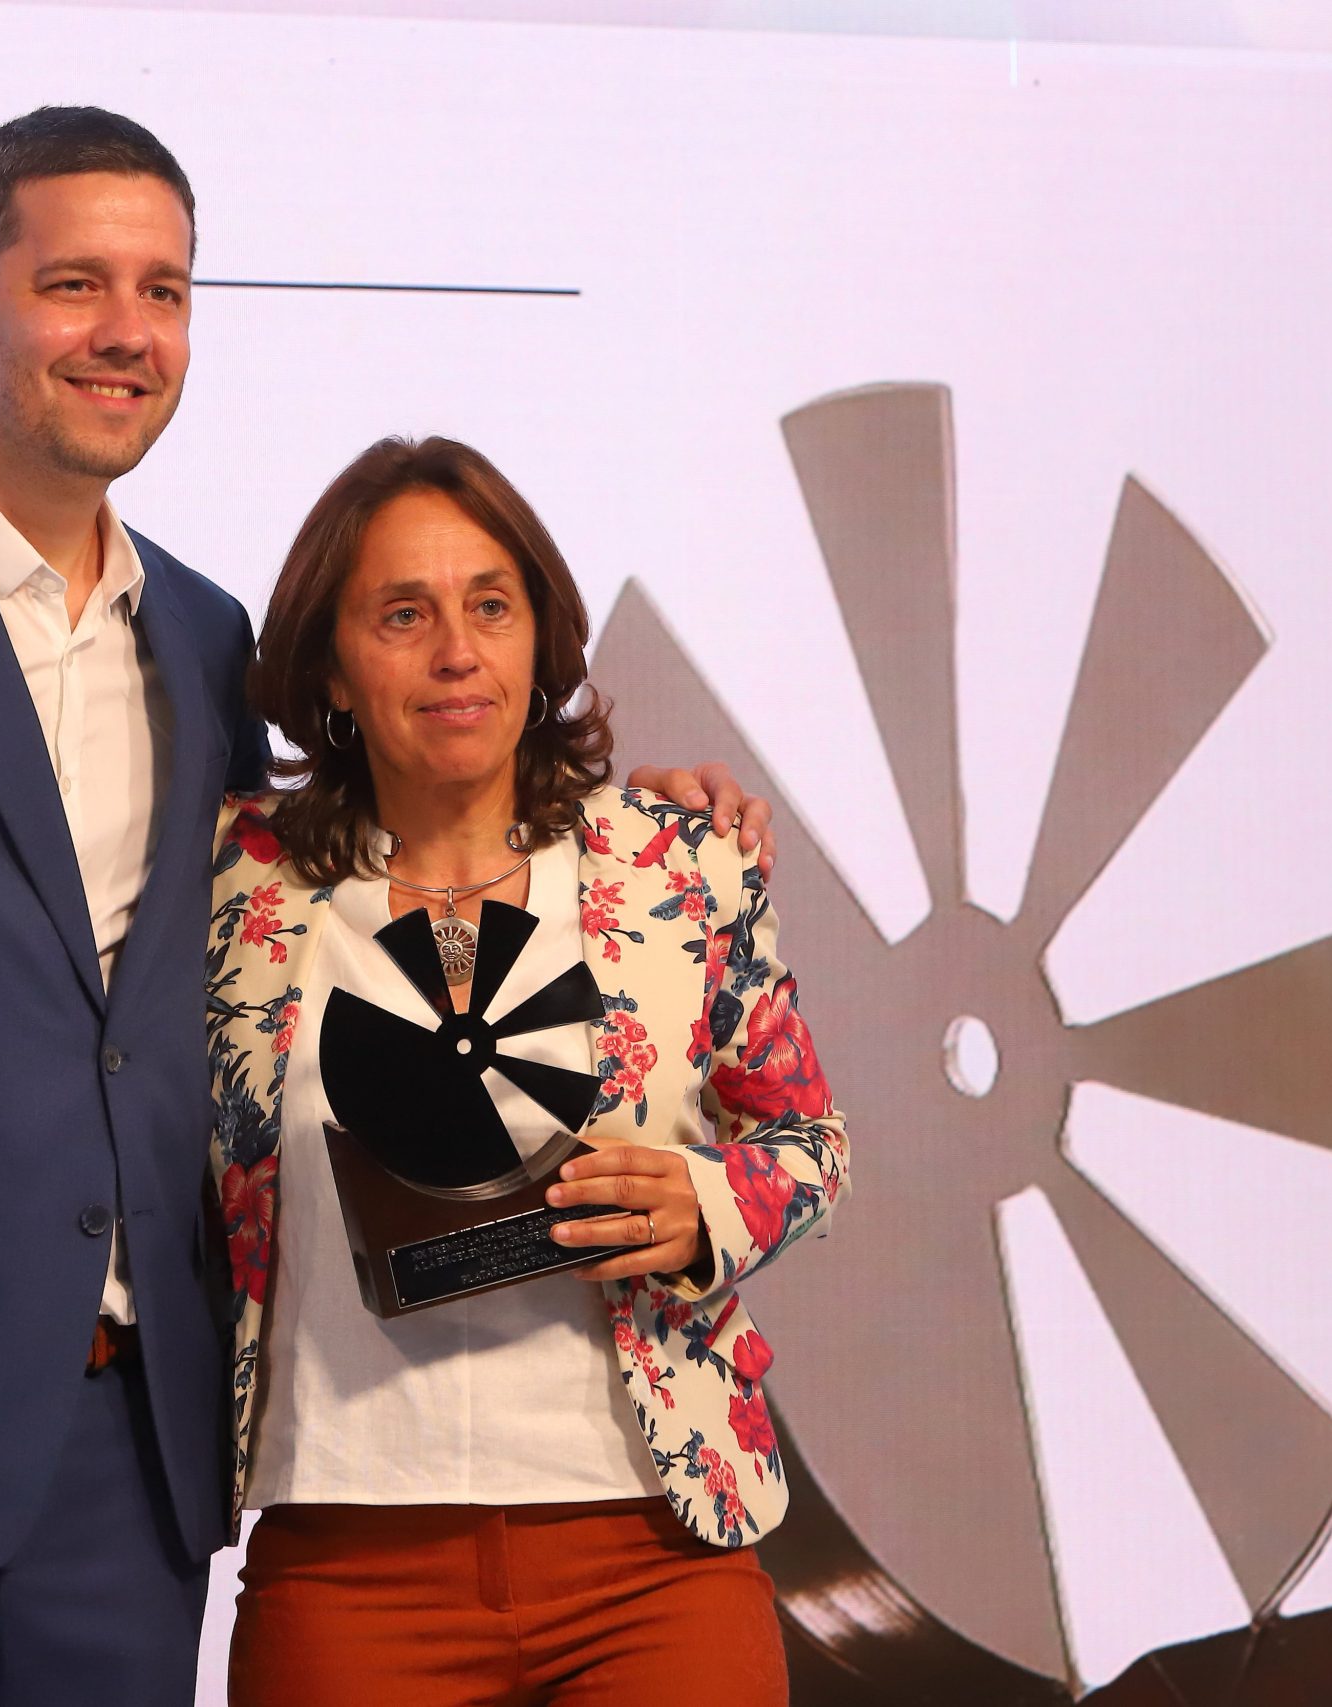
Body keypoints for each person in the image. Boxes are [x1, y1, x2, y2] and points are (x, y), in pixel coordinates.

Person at [0, 108, 770, 1705]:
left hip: (126, 1476)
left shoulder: (207, 639)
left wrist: (651, 812)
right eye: (75, 284)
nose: (126, 332)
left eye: (163, 291)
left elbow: (381, 854)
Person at [208, 435, 850, 1706]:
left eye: (489, 607)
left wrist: (704, 1206)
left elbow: (807, 1141)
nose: (457, 651)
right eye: (404, 614)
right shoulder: (233, 886)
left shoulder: (675, 867)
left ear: (538, 639)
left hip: (652, 1552)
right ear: (331, 668)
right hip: (347, 1554)